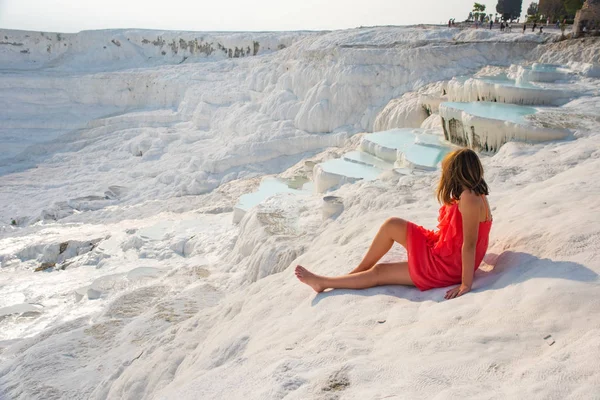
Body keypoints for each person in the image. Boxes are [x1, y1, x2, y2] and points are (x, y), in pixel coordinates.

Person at [295, 149, 493, 299]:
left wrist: (465, 284)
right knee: (392, 224)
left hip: (447, 266)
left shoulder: (470, 198)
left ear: (456, 173)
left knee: (380, 272)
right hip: (445, 252)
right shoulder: (474, 194)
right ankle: (355, 274)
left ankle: (323, 283)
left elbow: (470, 244)